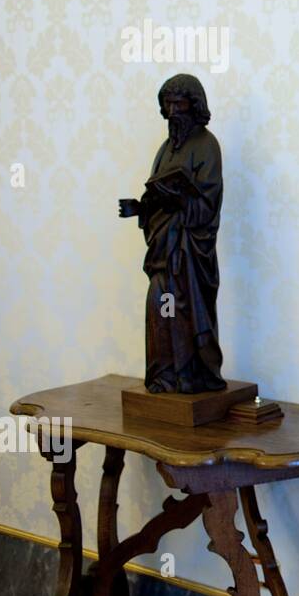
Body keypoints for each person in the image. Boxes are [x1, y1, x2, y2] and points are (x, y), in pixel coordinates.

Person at [118, 73, 226, 393]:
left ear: (194, 106)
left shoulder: (207, 145)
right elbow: (156, 195)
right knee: (160, 305)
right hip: (164, 252)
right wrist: (140, 208)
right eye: (168, 104)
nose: (173, 110)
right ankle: (165, 375)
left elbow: (207, 204)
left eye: (179, 103)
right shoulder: (165, 149)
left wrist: (180, 198)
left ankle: (192, 375)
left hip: (190, 254)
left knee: (185, 310)